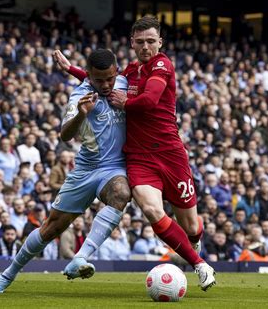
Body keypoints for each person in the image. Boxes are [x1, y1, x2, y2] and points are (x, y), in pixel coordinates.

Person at [55, 15, 215, 290]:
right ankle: (200, 265)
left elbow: (151, 100)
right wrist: (72, 69)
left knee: (191, 227)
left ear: (160, 42)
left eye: (151, 41)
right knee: (152, 210)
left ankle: (194, 240)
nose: (145, 47)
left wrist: (126, 103)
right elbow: (102, 81)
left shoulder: (162, 64)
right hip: (139, 157)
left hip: (170, 154)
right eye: (140, 42)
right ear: (132, 43)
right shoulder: (130, 70)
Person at [0, 49, 131, 293]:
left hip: (114, 167)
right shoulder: (80, 95)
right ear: (89, 76)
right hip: (85, 169)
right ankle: (8, 274)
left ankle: (80, 258)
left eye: (110, 79)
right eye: (99, 80)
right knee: (51, 228)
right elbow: (65, 134)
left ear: (117, 72)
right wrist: (81, 115)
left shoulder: (125, 83)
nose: (106, 85)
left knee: (121, 192)